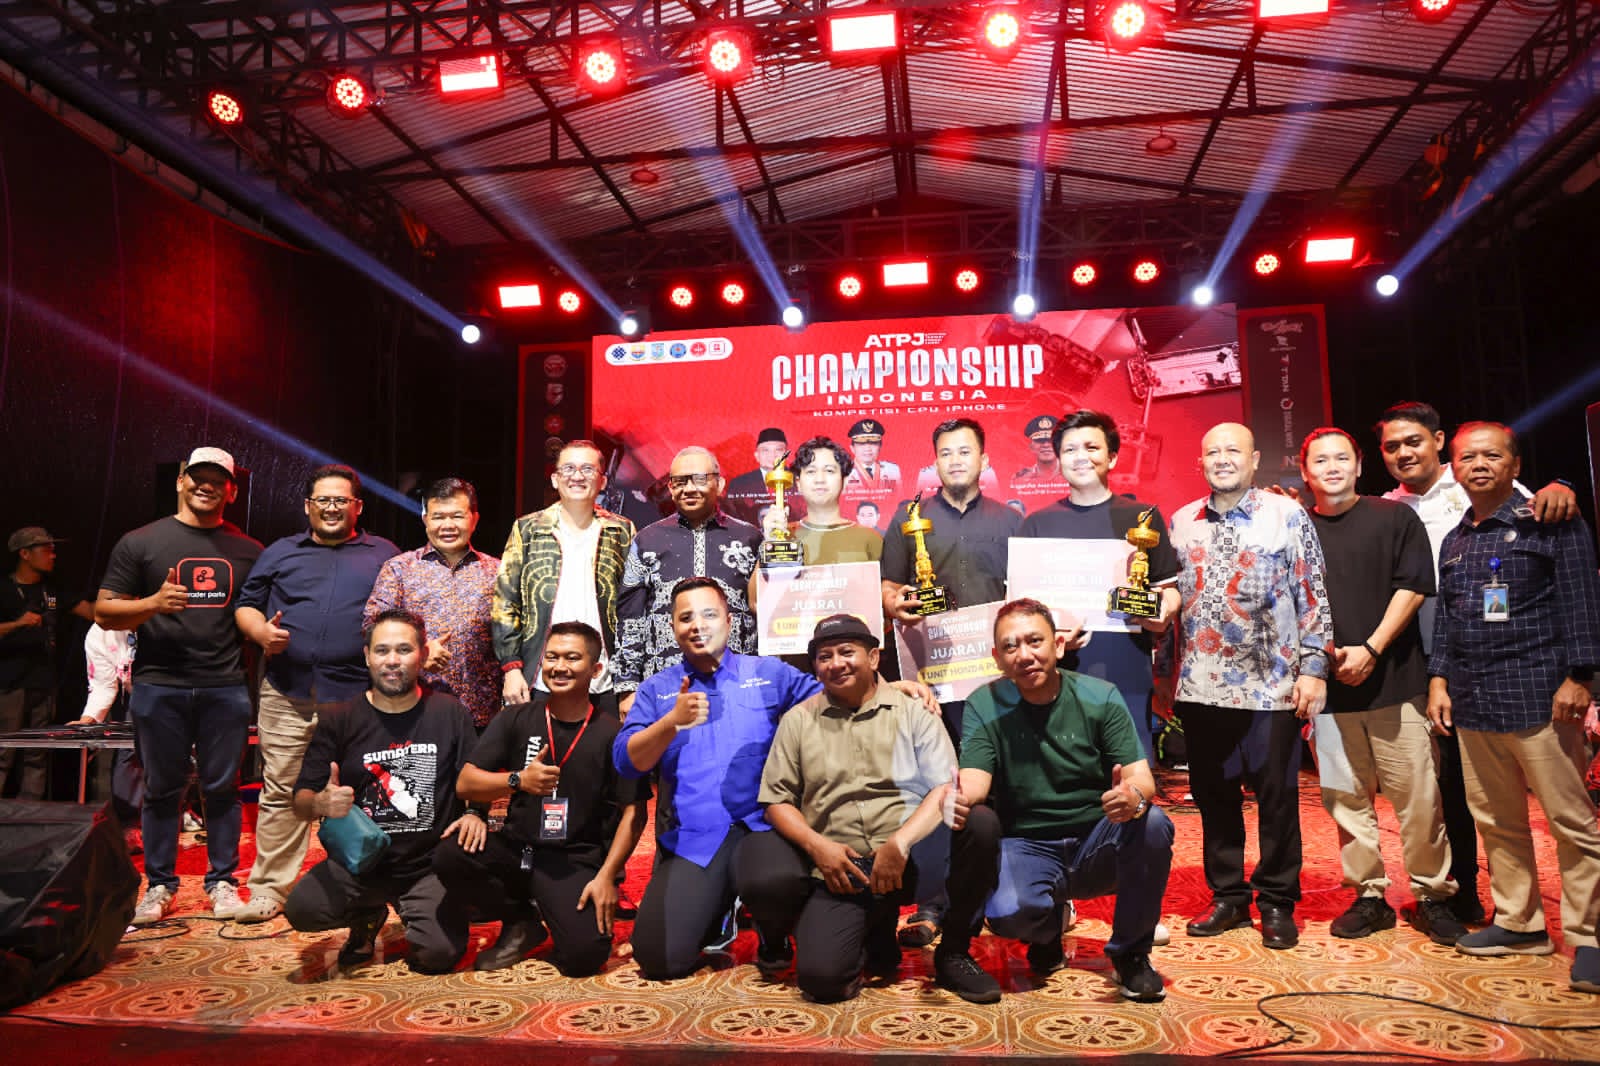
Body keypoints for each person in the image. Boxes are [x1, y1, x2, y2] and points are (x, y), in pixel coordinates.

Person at [1377, 400, 1578, 924]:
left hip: (1521, 670)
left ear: (1440, 443)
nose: (1404, 453)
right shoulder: (1395, 511)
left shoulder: (1491, 491)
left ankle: (1580, 931)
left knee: (1555, 811)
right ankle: (1471, 897)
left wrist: (1562, 484)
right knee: (1458, 793)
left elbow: (1566, 567)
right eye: (1392, 446)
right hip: (1437, 668)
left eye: (1414, 441)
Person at [1424, 421, 1600, 993]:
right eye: (1467, 457)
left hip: (1542, 698)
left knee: (1572, 824)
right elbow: (1448, 620)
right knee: (1496, 821)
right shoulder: (1455, 540)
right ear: (1453, 468)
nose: (1479, 465)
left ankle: (1591, 938)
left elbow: (1582, 600)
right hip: (1474, 700)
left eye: (1492, 456)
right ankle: (1520, 924)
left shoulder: (1552, 521)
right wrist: (1438, 679)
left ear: (1515, 465)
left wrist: (1581, 677)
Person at [935, 599, 1173, 1004]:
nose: (1024, 654)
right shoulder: (984, 703)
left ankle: (1131, 954)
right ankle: (1047, 929)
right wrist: (957, 799)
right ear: (997, 658)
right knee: (1008, 914)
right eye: (1010, 646)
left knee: (1152, 823)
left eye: (1035, 641)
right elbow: (974, 780)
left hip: (1097, 839)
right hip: (1027, 844)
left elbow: (1140, 778)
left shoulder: (1100, 697)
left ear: (1058, 645)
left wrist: (1131, 795)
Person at [1164, 423, 1331, 950]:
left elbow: (1312, 593)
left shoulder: (1286, 515)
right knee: (1214, 800)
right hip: (1200, 687)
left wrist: (1314, 669)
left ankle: (1277, 901)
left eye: (1232, 450)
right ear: (1200, 462)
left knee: (1277, 800)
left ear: (1254, 459)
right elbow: (1171, 598)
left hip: (1271, 687)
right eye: (1211, 451)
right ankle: (1229, 897)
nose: (1222, 459)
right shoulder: (1182, 522)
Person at [1298, 429, 1463, 945]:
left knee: (1419, 800)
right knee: (1345, 800)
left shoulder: (1395, 518)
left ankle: (1433, 895)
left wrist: (1370, 649)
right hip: (1330, 690)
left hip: (1397, 682)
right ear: (1305, 471)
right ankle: (1368, 896)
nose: (1331, 467)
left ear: (1358, 465)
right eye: (1319, 460)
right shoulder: (1297, 528)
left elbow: (1413, 588)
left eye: (1341, 458)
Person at [614, 577, 822, 979]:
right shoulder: (657, 689)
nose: (697, 625)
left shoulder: (768, 672)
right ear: (672, 627)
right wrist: (671, 723)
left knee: (775, 879)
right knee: (659, 959)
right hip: (697, 838)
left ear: (729, 620)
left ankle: (773, 935)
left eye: (708, 614)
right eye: (686, 618)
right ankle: (717, 913)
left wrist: (889, 688)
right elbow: (626, 762)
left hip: (764, 828)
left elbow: (833, 697)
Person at [739, 614, 953, 1001]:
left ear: (874, 657)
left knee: (979, 827)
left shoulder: (913, 711)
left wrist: (900, 843)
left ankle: (956, 951)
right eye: (825, 656)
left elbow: (945, 785)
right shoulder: (798, 721)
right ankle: (873, 927)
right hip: (841, 869)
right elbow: (775, 800)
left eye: (846, 652)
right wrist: (818, 847)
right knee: (823, 980)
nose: (836, 663)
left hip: (909, 857)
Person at [95, 447, 264, 925]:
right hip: (159, 685)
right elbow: (104, 611)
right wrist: (152, 603)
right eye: (197, 477)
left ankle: (222, 883)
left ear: (232, 491)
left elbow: (258, 612)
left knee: (222, 788)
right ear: (180, 482)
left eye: (218, 480)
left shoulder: (250, 551)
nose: (206, 486)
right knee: (161, 789)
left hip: (225, 685)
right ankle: (159, 886)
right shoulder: (141, 542)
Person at [231, 464, 399, 923]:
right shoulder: (280, 552)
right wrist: (260, 633)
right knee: (282, 789)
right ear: (308, 506)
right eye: (323, 500)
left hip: (358, 697)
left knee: (366, 792)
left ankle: (368, 886)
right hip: (288, 691)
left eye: (341, 500)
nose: (331, 508)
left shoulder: (384, 554)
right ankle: (270, 889)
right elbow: (246, 605)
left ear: (357, 507)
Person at [435, 621, 649, 975]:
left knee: (584, 957)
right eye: (551, 657)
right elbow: (466, 783)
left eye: (572, 658)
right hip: (516, 849)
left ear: (596, 670)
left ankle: (554, 908)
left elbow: (634, 812)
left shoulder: (612, 734)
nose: (559, 666)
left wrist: (608, 876)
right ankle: (521, 920)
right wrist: (517, 781)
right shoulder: (516, 718)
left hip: (572, 859)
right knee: (451, 853)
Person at [881, 417, 1022, 946]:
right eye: (946, 453)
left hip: (996, 679)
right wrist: (896, 601)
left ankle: (1001, 894)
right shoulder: (909, 519)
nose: (956, 460)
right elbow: (889, 586)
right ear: (934, 462)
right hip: (933, 679)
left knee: (999, 783)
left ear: (984, 460)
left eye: (966, 451)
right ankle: (935, 901)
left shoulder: (1011, 521)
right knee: (938, 783)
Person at [284, 609, 481, 974]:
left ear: (422, 654)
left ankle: (418, 910)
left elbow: (475, 779)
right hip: (360, 863)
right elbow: (299, 802)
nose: (392, 660)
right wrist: (321, 803)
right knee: (303, 910)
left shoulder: (450, 713)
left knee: (438, 955)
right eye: (382, 650)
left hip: (427, 867)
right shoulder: (339, 718)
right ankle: (366, 915)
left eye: (404, 650)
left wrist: (474, 813)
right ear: (367, 656)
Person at [1017, 410, 1180, 761]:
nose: (1081, 457)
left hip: (1127, 672)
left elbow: (1168, 589)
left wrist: (1162, 610)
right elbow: (1019, 608)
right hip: (1057, 675)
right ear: (1058, 460)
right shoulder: (1036, 525)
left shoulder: (1143, 517)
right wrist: (1051, 634)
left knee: (1129, 776)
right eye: (1070, 449)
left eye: (1092, 447)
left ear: (1112, 457)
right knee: (1062, 774)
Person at [493, 440, 636, 715]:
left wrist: (630, 680)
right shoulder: (528, 529)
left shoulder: (621, 530)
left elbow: (633, 607)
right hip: (540, 674)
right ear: (555, 479)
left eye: (587, 469)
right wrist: (511, 667)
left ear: (603, 481)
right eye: (568, 468)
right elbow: (505, 601)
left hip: (605, 677)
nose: (577, 476)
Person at [613, 448, 761, 711]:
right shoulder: (647, 540)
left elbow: (762, 612)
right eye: (680, 481)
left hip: (737, 684)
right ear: (670, 488)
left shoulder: (749, 539)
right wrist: (627, 686)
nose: (689, 488)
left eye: (700, 479)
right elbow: (630, 617)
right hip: (664, 687)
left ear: (720, 484)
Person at [365, 478, 501, 730]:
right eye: (438, 517)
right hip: (413, 709)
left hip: (481, 713)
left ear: (474, 519)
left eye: (457, 516)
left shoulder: (497, 571)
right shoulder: (399, 568)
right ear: (425, 519)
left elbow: (514, 635)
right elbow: (373, 626)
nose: (447, 525)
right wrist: (420, 652)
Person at [2, 527, 92, 798]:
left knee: (38, 753)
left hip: (44, 684)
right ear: (25, 554)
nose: (53, 555)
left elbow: (92, 612)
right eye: (46, 550)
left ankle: (31, 813)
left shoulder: (53, 589)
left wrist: (128, 605)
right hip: (9, 685)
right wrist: (17, 624)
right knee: (4, 752)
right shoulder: (4, 589)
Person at [75, 623, 142, 843]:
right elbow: (103, 685)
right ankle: (129, 825)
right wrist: (88, 719)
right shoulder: (101, 632)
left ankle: (178, 813)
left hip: (178, 689)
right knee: (129, 750)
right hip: (136, 694)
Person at [790, 436, 883, 565]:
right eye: (811, 471)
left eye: (829, 471)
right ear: (798, 483)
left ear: (844, 482)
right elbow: (764, 578)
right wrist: (771, 539)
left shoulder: (870, 538)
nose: (820, 479)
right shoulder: (784, 534)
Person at [723, 428, 803, 525]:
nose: (772, 455)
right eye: (765, 450)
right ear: (757, 456)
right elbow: (731, 518)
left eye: (778, 450)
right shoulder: (739, 484)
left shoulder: (801, 480)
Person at [841, 419, 902, 498]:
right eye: (861, 444)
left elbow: (899, 499)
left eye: (873, 443)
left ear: (880, 447)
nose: (868, 448)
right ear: (852, 448)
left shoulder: (892, 470)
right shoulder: (844, 472)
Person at [1010, 414, 1067, 488]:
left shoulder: (1073, 475)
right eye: (1040, 440)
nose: (1046, 445)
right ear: (1031, 447)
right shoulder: (1020, 479)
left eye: (1051, 440)